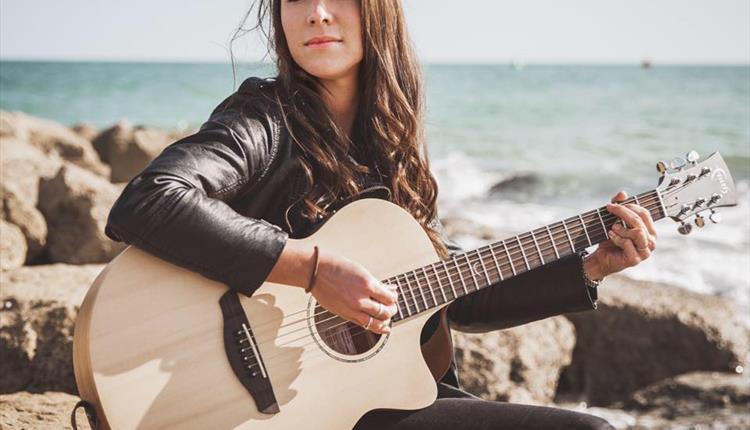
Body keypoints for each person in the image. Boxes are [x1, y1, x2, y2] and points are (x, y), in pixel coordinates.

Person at [104, 1, 657, 429]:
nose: (317, 11)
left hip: (368, 404)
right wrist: (313, 271)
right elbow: (151, 198)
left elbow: (454, 295)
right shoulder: (263, 119)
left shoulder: (393, 147)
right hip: (269, 411)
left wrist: (590, 267)